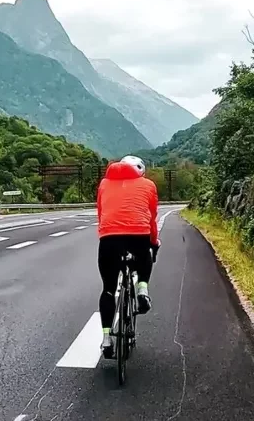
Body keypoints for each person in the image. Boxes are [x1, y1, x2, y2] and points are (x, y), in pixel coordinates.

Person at [96, 154, 160, 359]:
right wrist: (154, 243)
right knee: (145, 255)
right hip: (138, 236)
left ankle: (107, 339)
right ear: (140, 171)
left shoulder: (104, 184)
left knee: (107, 289)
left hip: (109, 239)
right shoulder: (148, 185)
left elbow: (101, 214)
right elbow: (151, 218)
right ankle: (142, 289)